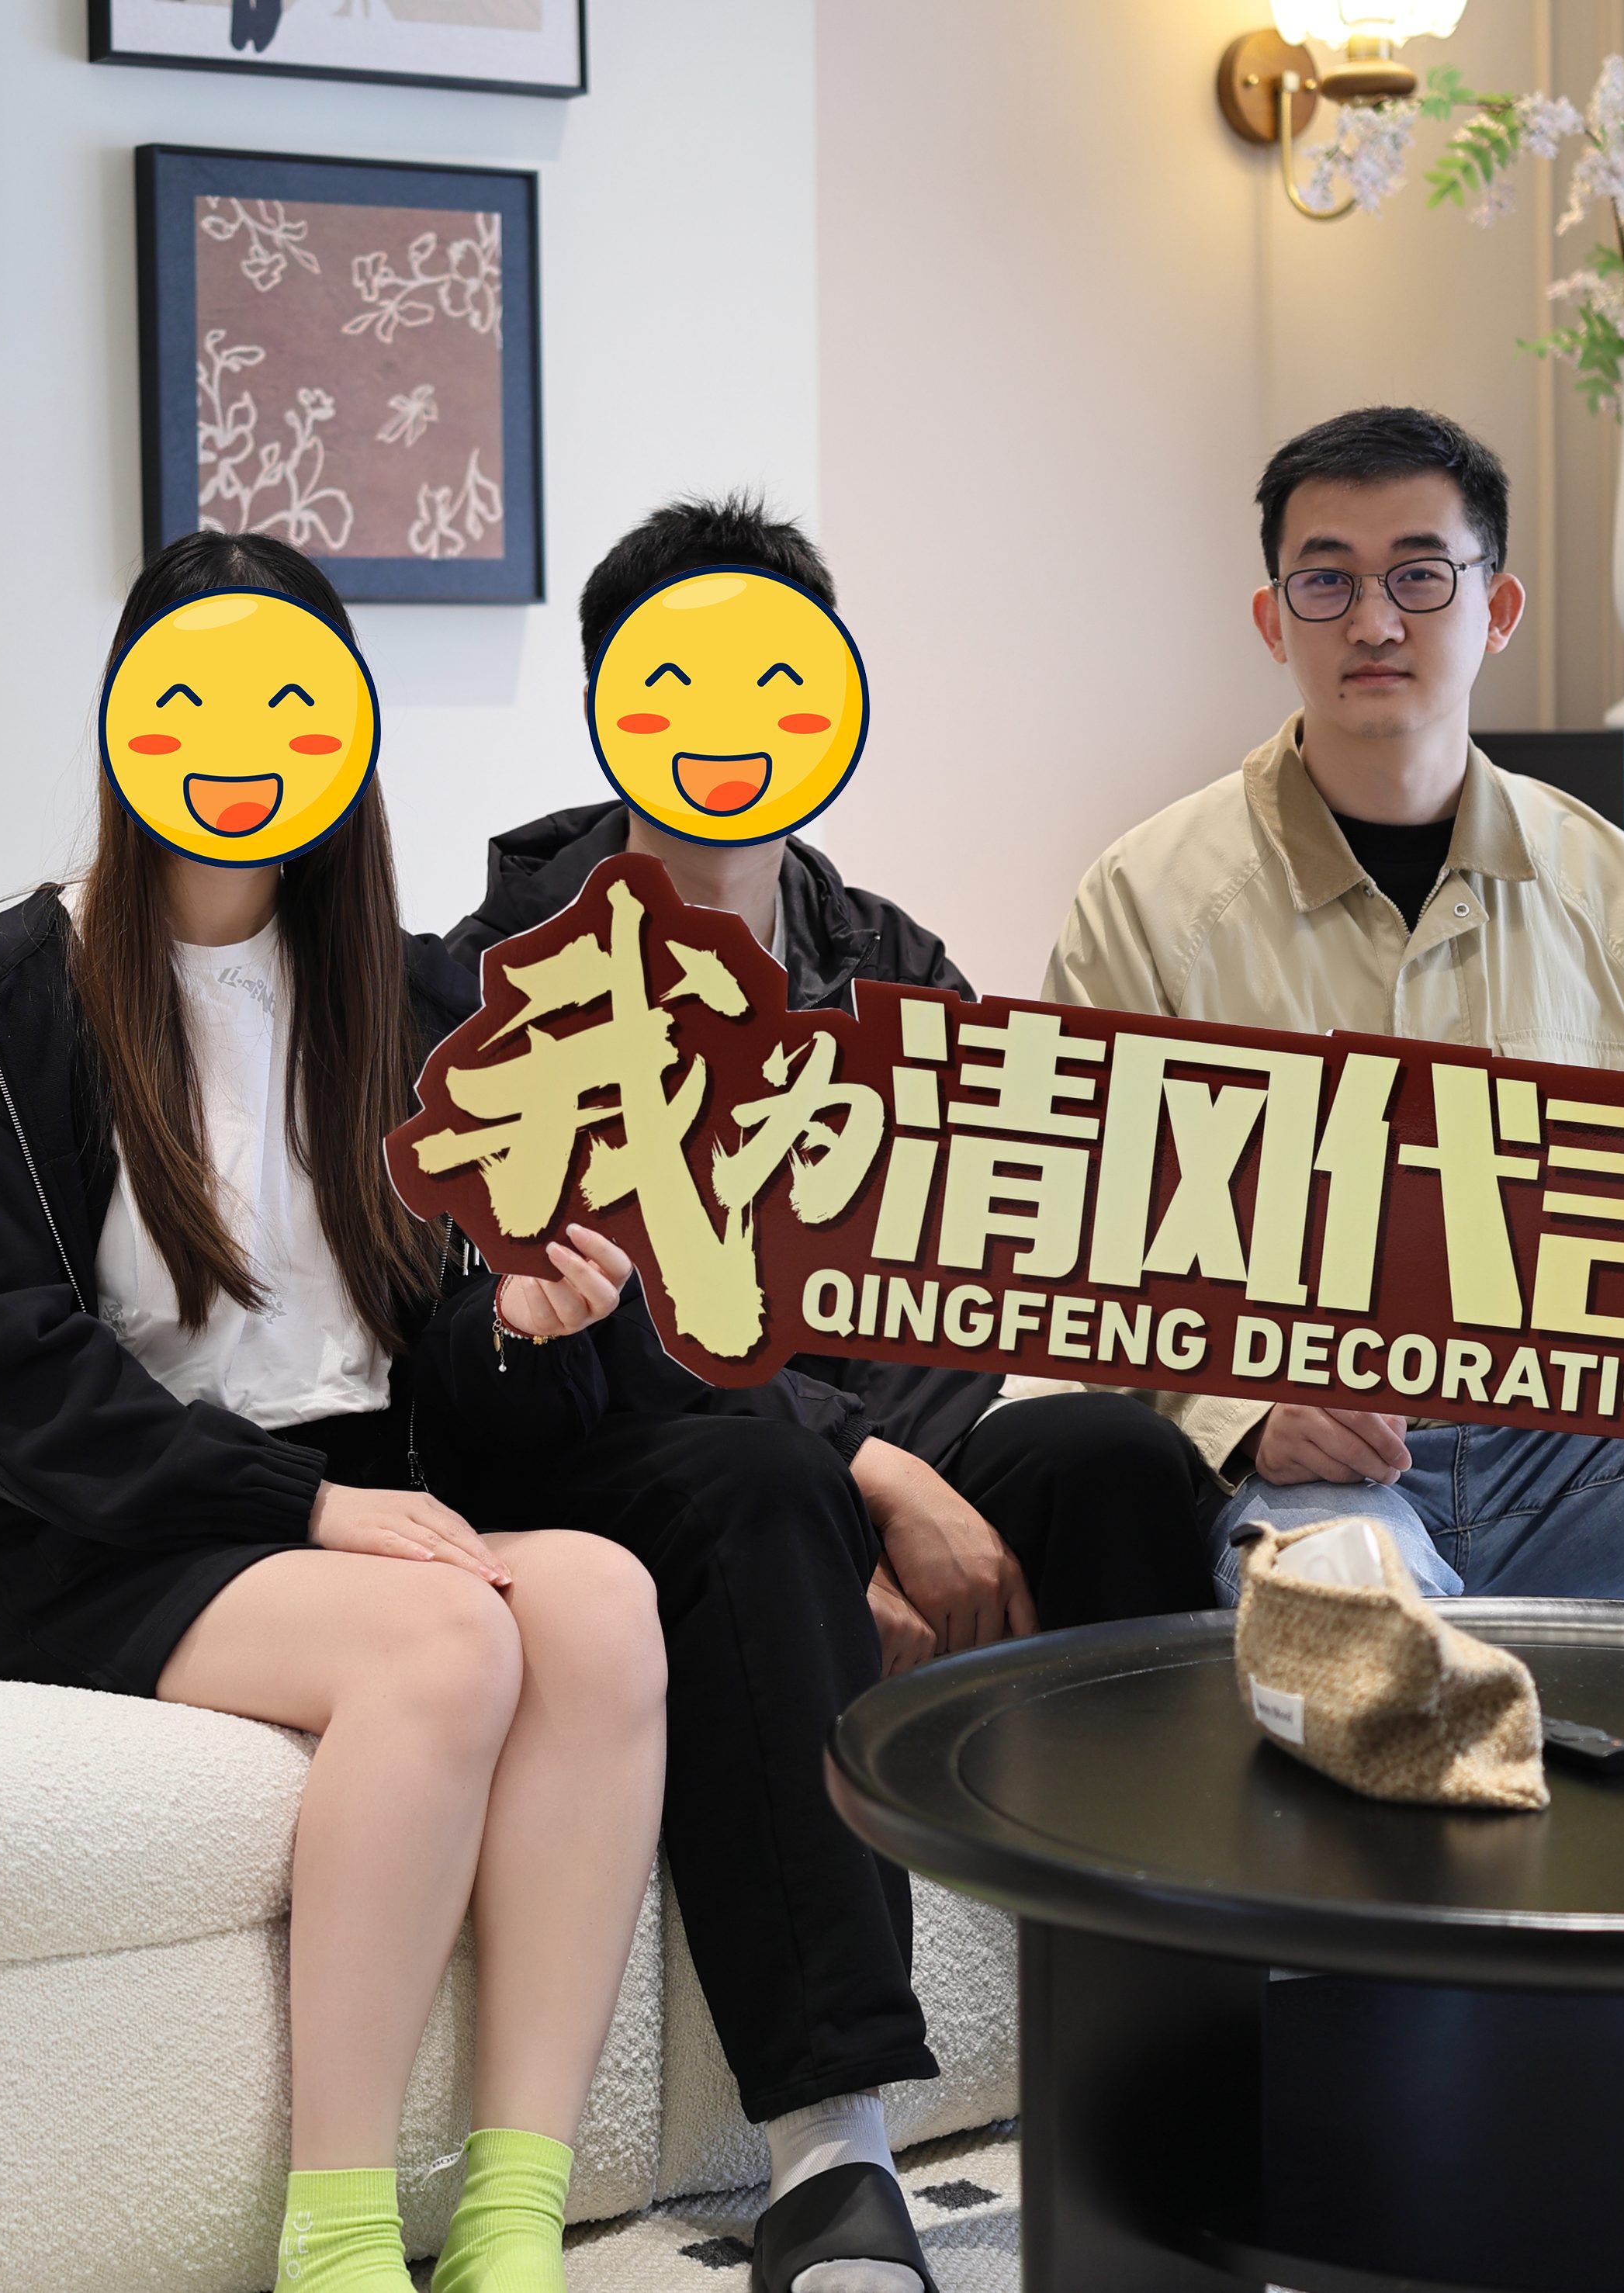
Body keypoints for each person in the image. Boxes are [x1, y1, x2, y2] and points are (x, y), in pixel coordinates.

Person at [429, 494, 1222, 2293]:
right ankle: (829, 2160)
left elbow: (965, 1269)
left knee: (1112, 1456)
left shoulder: (887, 956)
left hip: (850, 1468)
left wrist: (891, 1478)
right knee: (762, 1491)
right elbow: (600, 1316)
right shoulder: (497, 967)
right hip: (622, 1470)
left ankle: (1171, 2053)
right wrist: (868, 1484)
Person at [0, 530, 665, 2293]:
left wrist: (521, 1328)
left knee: (606, 1603)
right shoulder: (2, 990)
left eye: (290, 703)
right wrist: (301, 1508)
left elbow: (451, 1392)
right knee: (447, 1643)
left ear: (349, 732)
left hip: (353, 1515)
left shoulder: (420, 998)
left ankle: (514, 2222)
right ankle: (341, 2234)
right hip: (90, 1536)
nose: (242, 746)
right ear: (127, 719)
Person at [1044, 405, 1624, 1628]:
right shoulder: (1147, 899)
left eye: (1420, 575)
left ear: (1496, 610)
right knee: (1352, 1598)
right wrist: (1240, 1412)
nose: (1374, 621)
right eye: (1327, 581)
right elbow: (1070, 1241)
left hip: (1583, 1449)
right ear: (1274, 619)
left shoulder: (1614, 888)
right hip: (1320, 1465)